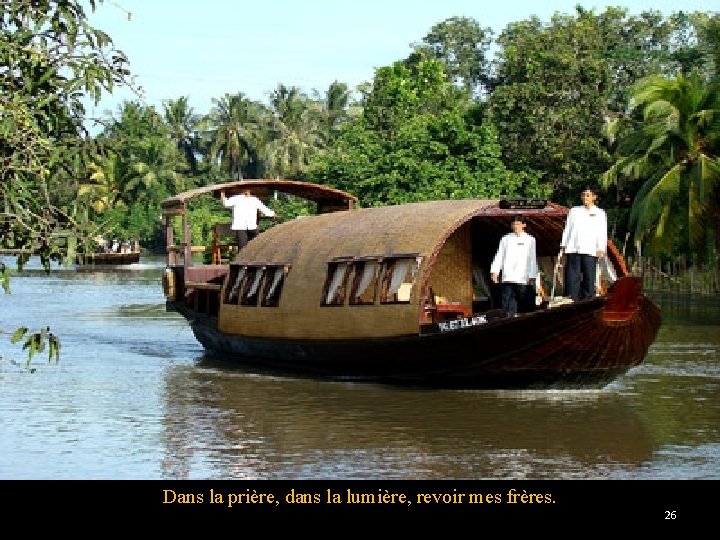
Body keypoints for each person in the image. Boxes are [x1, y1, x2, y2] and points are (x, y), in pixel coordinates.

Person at [558, 186, 608, 301]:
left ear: (594, 197)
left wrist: (601, 248)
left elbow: (602, 231)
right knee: (572, 277)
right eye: (583, 195)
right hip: (573, 248)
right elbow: (568, 228)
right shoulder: (574, 211)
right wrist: (563, 245)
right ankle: (571, 299)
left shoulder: (600, 213)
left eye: (588, 195)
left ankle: (587, 299)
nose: (585, 197)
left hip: (590, 250)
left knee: (589, 277)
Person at [490, 214, 539, 316]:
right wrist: (495, 271)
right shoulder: (505, 239)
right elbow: (500, 255)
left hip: (523, 277)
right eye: (513, 224)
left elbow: (532, 258)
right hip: (508, 276)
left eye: (518, 224)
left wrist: (532, 275)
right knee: (507, 304)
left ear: (523, 225)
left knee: (524, 302)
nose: (516, 226)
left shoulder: (530, 239)